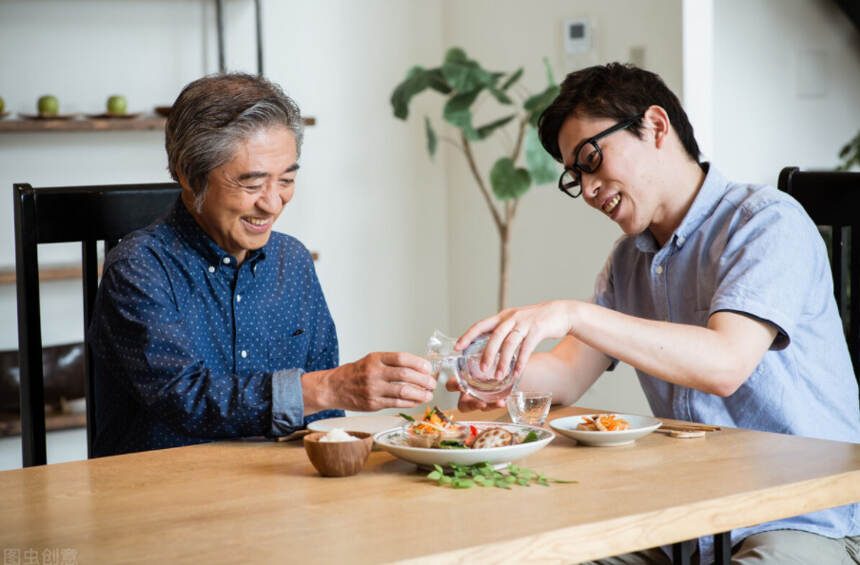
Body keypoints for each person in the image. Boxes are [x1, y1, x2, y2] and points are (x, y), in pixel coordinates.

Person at [447, 63, 860, 564]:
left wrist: (572, 313)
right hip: (689, 520)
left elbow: (725, 363)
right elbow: (566, 373)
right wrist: (481, 368)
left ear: (656, 126)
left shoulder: (766, 223)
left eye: (591, 159)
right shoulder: (629, 260)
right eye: (576, 176)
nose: (590, 187)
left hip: (805, 514)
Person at [88, 73, 435, 457]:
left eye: (286, 179)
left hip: (276, 489)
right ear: (189, 174)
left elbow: (324, 416)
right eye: (252, 185)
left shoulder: (293, 261)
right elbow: (186, 400)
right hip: (160, 495)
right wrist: (327, 387)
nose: (273, 204)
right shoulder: (140, 267)